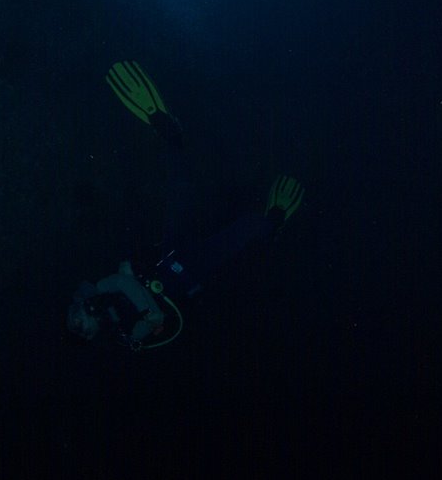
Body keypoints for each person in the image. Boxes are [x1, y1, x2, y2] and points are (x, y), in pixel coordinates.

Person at [65, 61, 304, 351]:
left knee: (182, 196)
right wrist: (148, 315)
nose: (84, 325)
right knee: (234, 237)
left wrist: (147, 310)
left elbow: (124, 284)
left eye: (78, 320)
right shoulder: (125, 334)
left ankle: (170, 135)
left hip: (169, 256)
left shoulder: (99, 292)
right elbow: (154, 317)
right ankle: (271, 222)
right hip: (186, 274)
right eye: (82, 330)